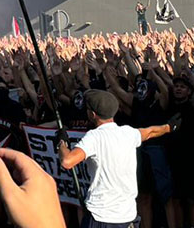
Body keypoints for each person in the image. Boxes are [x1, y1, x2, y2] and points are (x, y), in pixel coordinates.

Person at [58, 90, 173, 228]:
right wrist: (168, 127)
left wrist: (62, 144)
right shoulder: (128, 133)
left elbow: (67, 161)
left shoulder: (93, 137)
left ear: (92, 114)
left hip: (101, 217)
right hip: (127, 216)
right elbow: (150, 132)